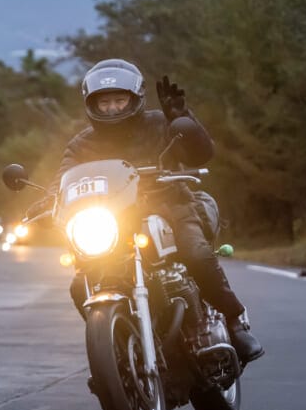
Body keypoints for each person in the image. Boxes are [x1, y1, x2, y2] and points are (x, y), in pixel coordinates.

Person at [38, 58, 264, 363]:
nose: (113, 108)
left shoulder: (161, 123)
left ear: (134, 98)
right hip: (115, 219)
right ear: (92, 104)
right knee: (81, 285)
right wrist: (50, 198)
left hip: (170, 205)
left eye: (119, 100)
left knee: (195, 254)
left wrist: (182, 117)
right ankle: (117, 353)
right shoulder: (82, 144)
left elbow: (202, 154)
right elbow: (64, 178)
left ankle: (235, 322)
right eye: (105, 102)